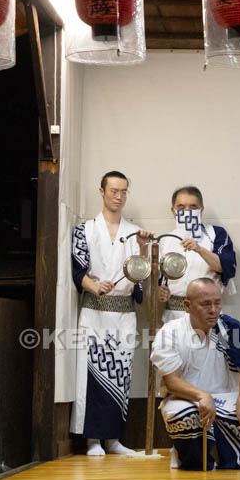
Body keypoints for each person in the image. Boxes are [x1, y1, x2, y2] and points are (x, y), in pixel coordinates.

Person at [150, 278, 240, 470]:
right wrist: (201, 395)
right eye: (205, 304)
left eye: (217, 303)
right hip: (185, 398)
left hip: (225, 398)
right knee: (185, 415)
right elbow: (172, 382)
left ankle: (228, 460)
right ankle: (191, 459)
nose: (213, 310)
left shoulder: (231, 328)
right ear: (187, 306)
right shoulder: (170, 332)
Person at [70, 171, 145, 456]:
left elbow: (140, 274)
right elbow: (79, 271)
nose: (119, 196)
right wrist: (94, 285)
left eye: (124, 191)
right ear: (101, 192)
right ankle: (92, 440)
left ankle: (113, 439)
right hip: (95, 311)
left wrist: (146, 248)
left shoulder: (134, 232)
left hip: (124, 313)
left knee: (121, 374)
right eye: (114, 190)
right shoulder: (85, 230)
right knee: (91, 373)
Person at [142, 186, 237, 324]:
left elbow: (226, 267)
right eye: (181, 207)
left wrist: (199, 249)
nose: (187, 212)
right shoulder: (165, 240)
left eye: (193, 207)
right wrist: (159, 291)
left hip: (207, 313)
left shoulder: (216, 234)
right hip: (173, 314)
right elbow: (158, 281)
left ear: (201, 210)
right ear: (173, 211)